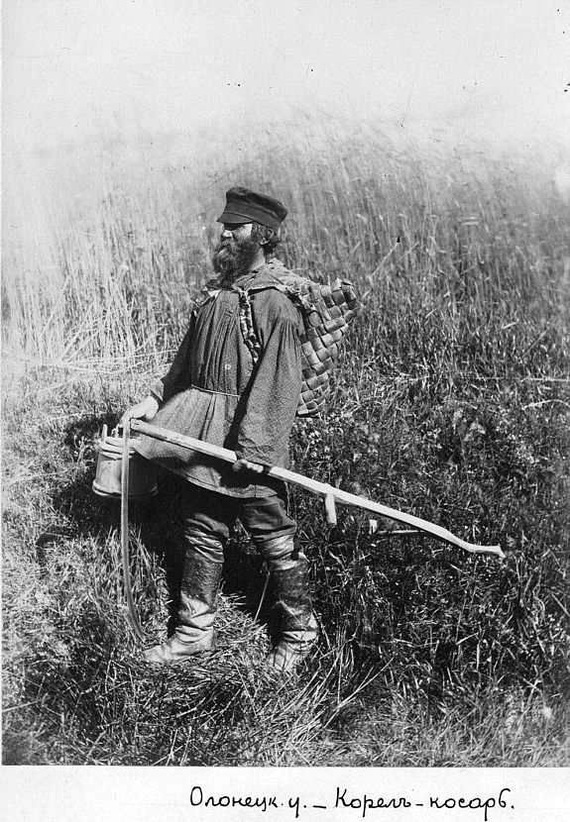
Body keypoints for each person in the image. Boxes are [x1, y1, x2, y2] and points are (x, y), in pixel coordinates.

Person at [121, 186, 318, 672]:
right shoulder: (217, 295)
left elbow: (279, 378)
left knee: (270, 531)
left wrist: (257, 446)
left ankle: (299, 630)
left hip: (250, 439)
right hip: (203, 432)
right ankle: (193, 633)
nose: (225, 232)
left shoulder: (276, 301)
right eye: (225, 225)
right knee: (201, 526)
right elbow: (185, 362)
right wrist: (154, 399)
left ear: (264, 235)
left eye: (237, 226)